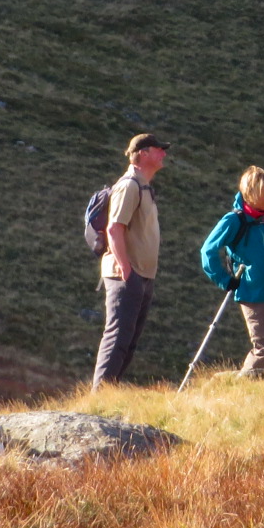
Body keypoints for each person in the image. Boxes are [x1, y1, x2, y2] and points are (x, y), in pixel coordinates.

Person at [198, 165, 264, 374]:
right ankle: (241, 387)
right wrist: (224, 280)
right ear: (251, 192)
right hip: (251, 291)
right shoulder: (233, 220)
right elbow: (208, 251)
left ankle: (262, 397)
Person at [92, 133, 166, 389]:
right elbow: (114, 229)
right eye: (159, 149)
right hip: (127, 274)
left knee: (129, 338)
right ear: (143, 154)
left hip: (142, 274)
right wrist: (125, 268)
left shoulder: (143, 185)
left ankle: (109, 392)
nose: (163, 154)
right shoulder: (129, 186)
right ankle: (100, 395)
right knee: (117, 337)